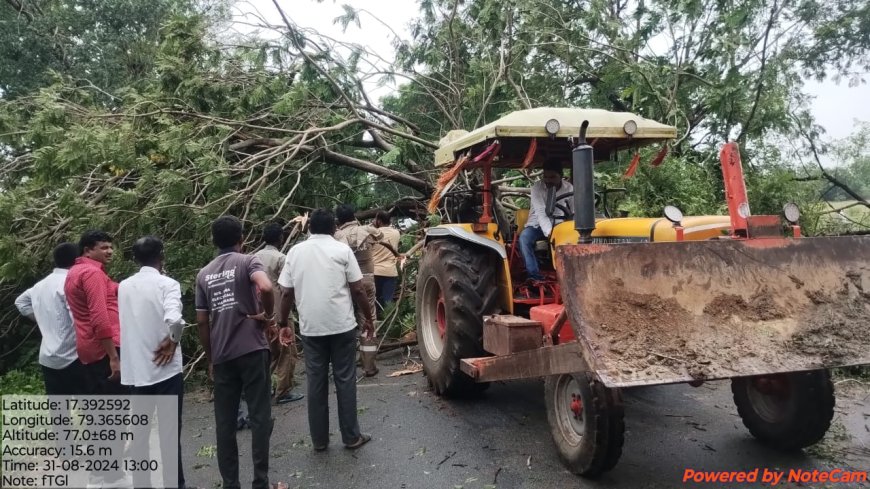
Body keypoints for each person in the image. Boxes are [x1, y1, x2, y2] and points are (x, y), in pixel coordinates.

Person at [277, 208, 375, 451]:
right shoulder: (342, 250)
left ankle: (319, 441)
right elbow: (358, 289)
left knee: (316, 383)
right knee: (345, 380)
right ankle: (351, 437)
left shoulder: (295, 252)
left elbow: (286, 292)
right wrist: (369, 318)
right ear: (334, 228)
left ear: (309, 228)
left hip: (311, 329)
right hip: (342, 326)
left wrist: (282, 324)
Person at [195, 215, 279, 489]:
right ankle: (260, 481)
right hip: (252, 349)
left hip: (222, 355)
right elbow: (265, 286)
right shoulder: (247, 261)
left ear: (212, 242)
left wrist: (210, 357)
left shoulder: (204, 274)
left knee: (225, 422)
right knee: (260, 415)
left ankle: (231, 483)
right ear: (241, 239)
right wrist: (267, 315)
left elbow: (202, 321)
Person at [119, 236, 186, 489]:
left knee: (140, 435)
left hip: (137, 371)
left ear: (135, 259)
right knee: (169, 433)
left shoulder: (124, 286)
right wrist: (174, 341)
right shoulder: (167, 284)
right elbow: (176, 321)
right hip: (166, 371)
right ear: (162, 255)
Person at [15, 242, 89, 395]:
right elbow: (78, 320)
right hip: (74, 356)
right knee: (89, 408)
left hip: (48, 357)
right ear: (77, 260)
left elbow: (20, 302)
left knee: (58, 411)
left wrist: (42, 319)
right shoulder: (70, 283)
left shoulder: (41, 285)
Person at [334, 204, 398, 375]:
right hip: (367, 280)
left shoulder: (337, 236)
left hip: (344, 283)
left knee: (344, 321)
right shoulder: (367, 230)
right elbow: (381, 235)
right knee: (368, 321)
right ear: (354, 216)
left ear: (338, 220)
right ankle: (369, 366)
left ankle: (344, 366)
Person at [64, 230, 127, 395]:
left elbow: (113, 289)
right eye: (104, 247)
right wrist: (113, 357)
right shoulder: (92, 273)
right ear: (87, 250)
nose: (110, 251)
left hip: (89, 347)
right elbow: (99, 317)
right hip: (104, 349)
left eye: (111, 247)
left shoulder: (74, 271)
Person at [254, 222, 304, 405]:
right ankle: (283, 391)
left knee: (268, 352)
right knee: (287, 352)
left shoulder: (253, 258)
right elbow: (286, 289)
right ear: (280, 238)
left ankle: (259, 389)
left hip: (258, 313)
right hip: (278, 312)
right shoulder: (281, 258)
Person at [519, 158, 574, 282]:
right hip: (537, 225)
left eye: (552, 177)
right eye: (546, 177)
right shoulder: (536, 188)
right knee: (524, 239)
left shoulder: (569, 188)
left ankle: (568, 274)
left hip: (560, 224)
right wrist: (550, 233)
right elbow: (541, 212)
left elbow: (573, 211)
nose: (548, 181)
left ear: (561, 176)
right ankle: (534, 276)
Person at [371, 211, 402, 317]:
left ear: (379, 221)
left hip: (375, 271)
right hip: (390, 272)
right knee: (388, 302)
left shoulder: (373, 233)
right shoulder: (396, 233)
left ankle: (376, 326)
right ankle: (387, 323)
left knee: (375, 302)